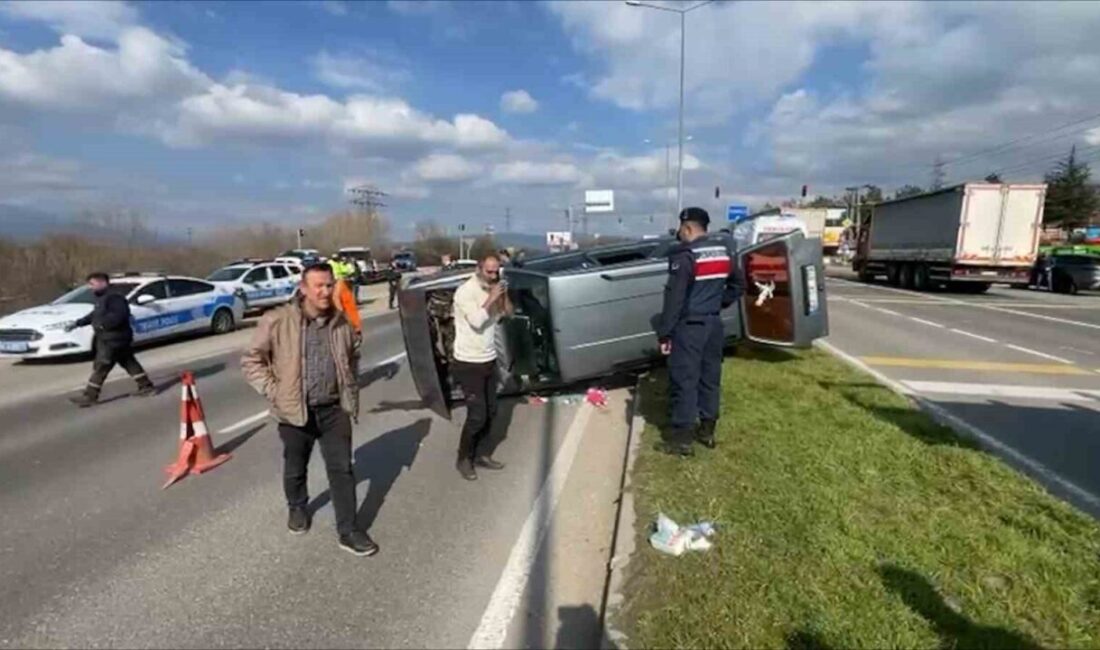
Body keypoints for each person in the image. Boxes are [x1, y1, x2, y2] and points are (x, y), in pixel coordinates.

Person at [241, 262, 378, 557]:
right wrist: (274, 391)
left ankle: (348, 530)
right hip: (294, 411)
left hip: (333, 409)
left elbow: (353, 355)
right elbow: (252, 361)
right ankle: (297, 507)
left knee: (342, 470)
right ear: (303, 288)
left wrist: (349, 386)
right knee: (295, 466)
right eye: (318, 285)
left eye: (329, 285)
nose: (325, 291)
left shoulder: (341, 322)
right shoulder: (278, 320)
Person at [654, 207, 745, 456]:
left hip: (689, 327)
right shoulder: (723, 252)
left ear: (688, 228)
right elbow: (739, 285)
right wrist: (719, 303)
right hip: (713, 326)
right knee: (710, 377)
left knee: (685, 379)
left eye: (681, 229)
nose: (679, 234)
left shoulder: (685, 256)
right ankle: (707, 431)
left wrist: (665, 334)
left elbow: (675, 300)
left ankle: (681, 440)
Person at [451, 252, 513, 480]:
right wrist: (490, 298)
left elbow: (508, 313)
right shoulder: (466, 292)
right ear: (479, 269)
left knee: (492, 411)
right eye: (489, 271)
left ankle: (481, 454)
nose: (493, 275)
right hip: (468, 362)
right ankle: (463, 458)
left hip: (488, 358)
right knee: (477, 415)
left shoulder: (494, 288)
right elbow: (477, 322)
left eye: (496, 271)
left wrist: (502, 296)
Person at [67, 272, 155, 407]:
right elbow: (95, 315)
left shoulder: (114, 298)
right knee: (128, 362)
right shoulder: (102, 299)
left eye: (92, 284)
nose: (90, 287)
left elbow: (119, 316)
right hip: (112, 338)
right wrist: (78, 323)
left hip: (114, 338)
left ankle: (90, 395)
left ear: (103, 283)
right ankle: (146, 386)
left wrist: (102, 326)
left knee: (102, 365)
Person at [331, 260, 362, 339]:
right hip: (347, 327)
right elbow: (337, 303)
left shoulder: (345, 287)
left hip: (352, 325)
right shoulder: (339, 286)